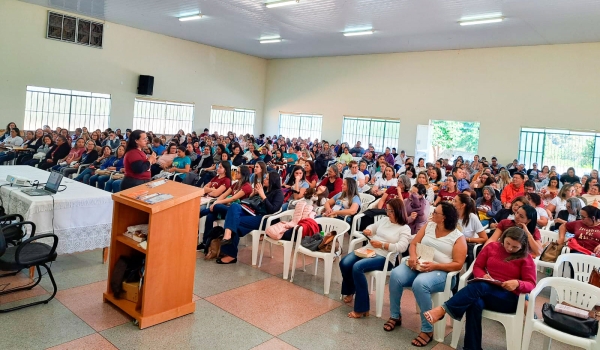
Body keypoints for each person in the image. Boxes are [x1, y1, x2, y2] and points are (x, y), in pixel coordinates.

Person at [423, 227, 536, 350]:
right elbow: (478, 266)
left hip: (509, 299)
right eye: (507, 243)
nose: (509, 248)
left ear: (522, 246)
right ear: (503, 238)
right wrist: (483, 275)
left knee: (479, 286)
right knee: (474, 303)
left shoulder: (526, 258)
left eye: (515, 247)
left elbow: (531, 284)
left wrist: (517, 283)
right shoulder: (492, 247)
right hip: (487, 292)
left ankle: (443, 309)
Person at [385, 202, 466, 347]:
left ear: (444, 218)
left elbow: (458, 265)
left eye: (436, 213)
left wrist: (435, 265)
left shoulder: (458, 237)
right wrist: (413, 257)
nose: (433, 214)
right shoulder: (429, 226)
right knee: (396, 274)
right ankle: (395, 315)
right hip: (420, 264)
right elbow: (414, 244)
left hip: (443, 272)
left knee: (420, 283)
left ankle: (427, 329)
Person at [341, 198, 412, 318]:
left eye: (390, 211)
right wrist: (369, 230)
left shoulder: (404, 228)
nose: (388, 213)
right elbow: (372, 227)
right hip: (369, 250)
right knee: (345, 262)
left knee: (357, 267)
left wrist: (383, 245)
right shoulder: (385, 220)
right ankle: (350, 290)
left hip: (385, 257)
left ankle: (362, 308)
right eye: (387, 210)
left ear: (398, 211)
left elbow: (402, 247)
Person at [217, 171, 284, 264]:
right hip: (253, 213)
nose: (265, 179)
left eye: (267, 178)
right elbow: (251, 201)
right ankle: (227, 235)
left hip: (265, 219)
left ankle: (230, 254)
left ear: (273, 181)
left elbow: (272, 210)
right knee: (234, 206)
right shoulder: (264, 189)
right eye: (265, 177)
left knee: (236, 222)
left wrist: (263, 196)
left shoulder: (279, 193)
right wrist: (253, 194)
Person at [200, 166, 253, 258]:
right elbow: (224, 195)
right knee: (210, 216)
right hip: (226, 208)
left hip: (236, 212)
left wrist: (217, 203)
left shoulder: (247, 186)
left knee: (217, 207)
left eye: (238, 172)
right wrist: (216, 202)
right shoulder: (235, 184)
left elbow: (233, 198)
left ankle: (198, 214)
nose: (236, 173)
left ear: (244, 175)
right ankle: (205, 243)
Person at [454, 194, 487, 266]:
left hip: (466, 245)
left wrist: (467, 239)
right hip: (451, 243)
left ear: (462, 205)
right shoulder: (452, 215)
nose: (452, 203)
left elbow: (484, 238)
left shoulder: (472, 217)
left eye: (455, 201)